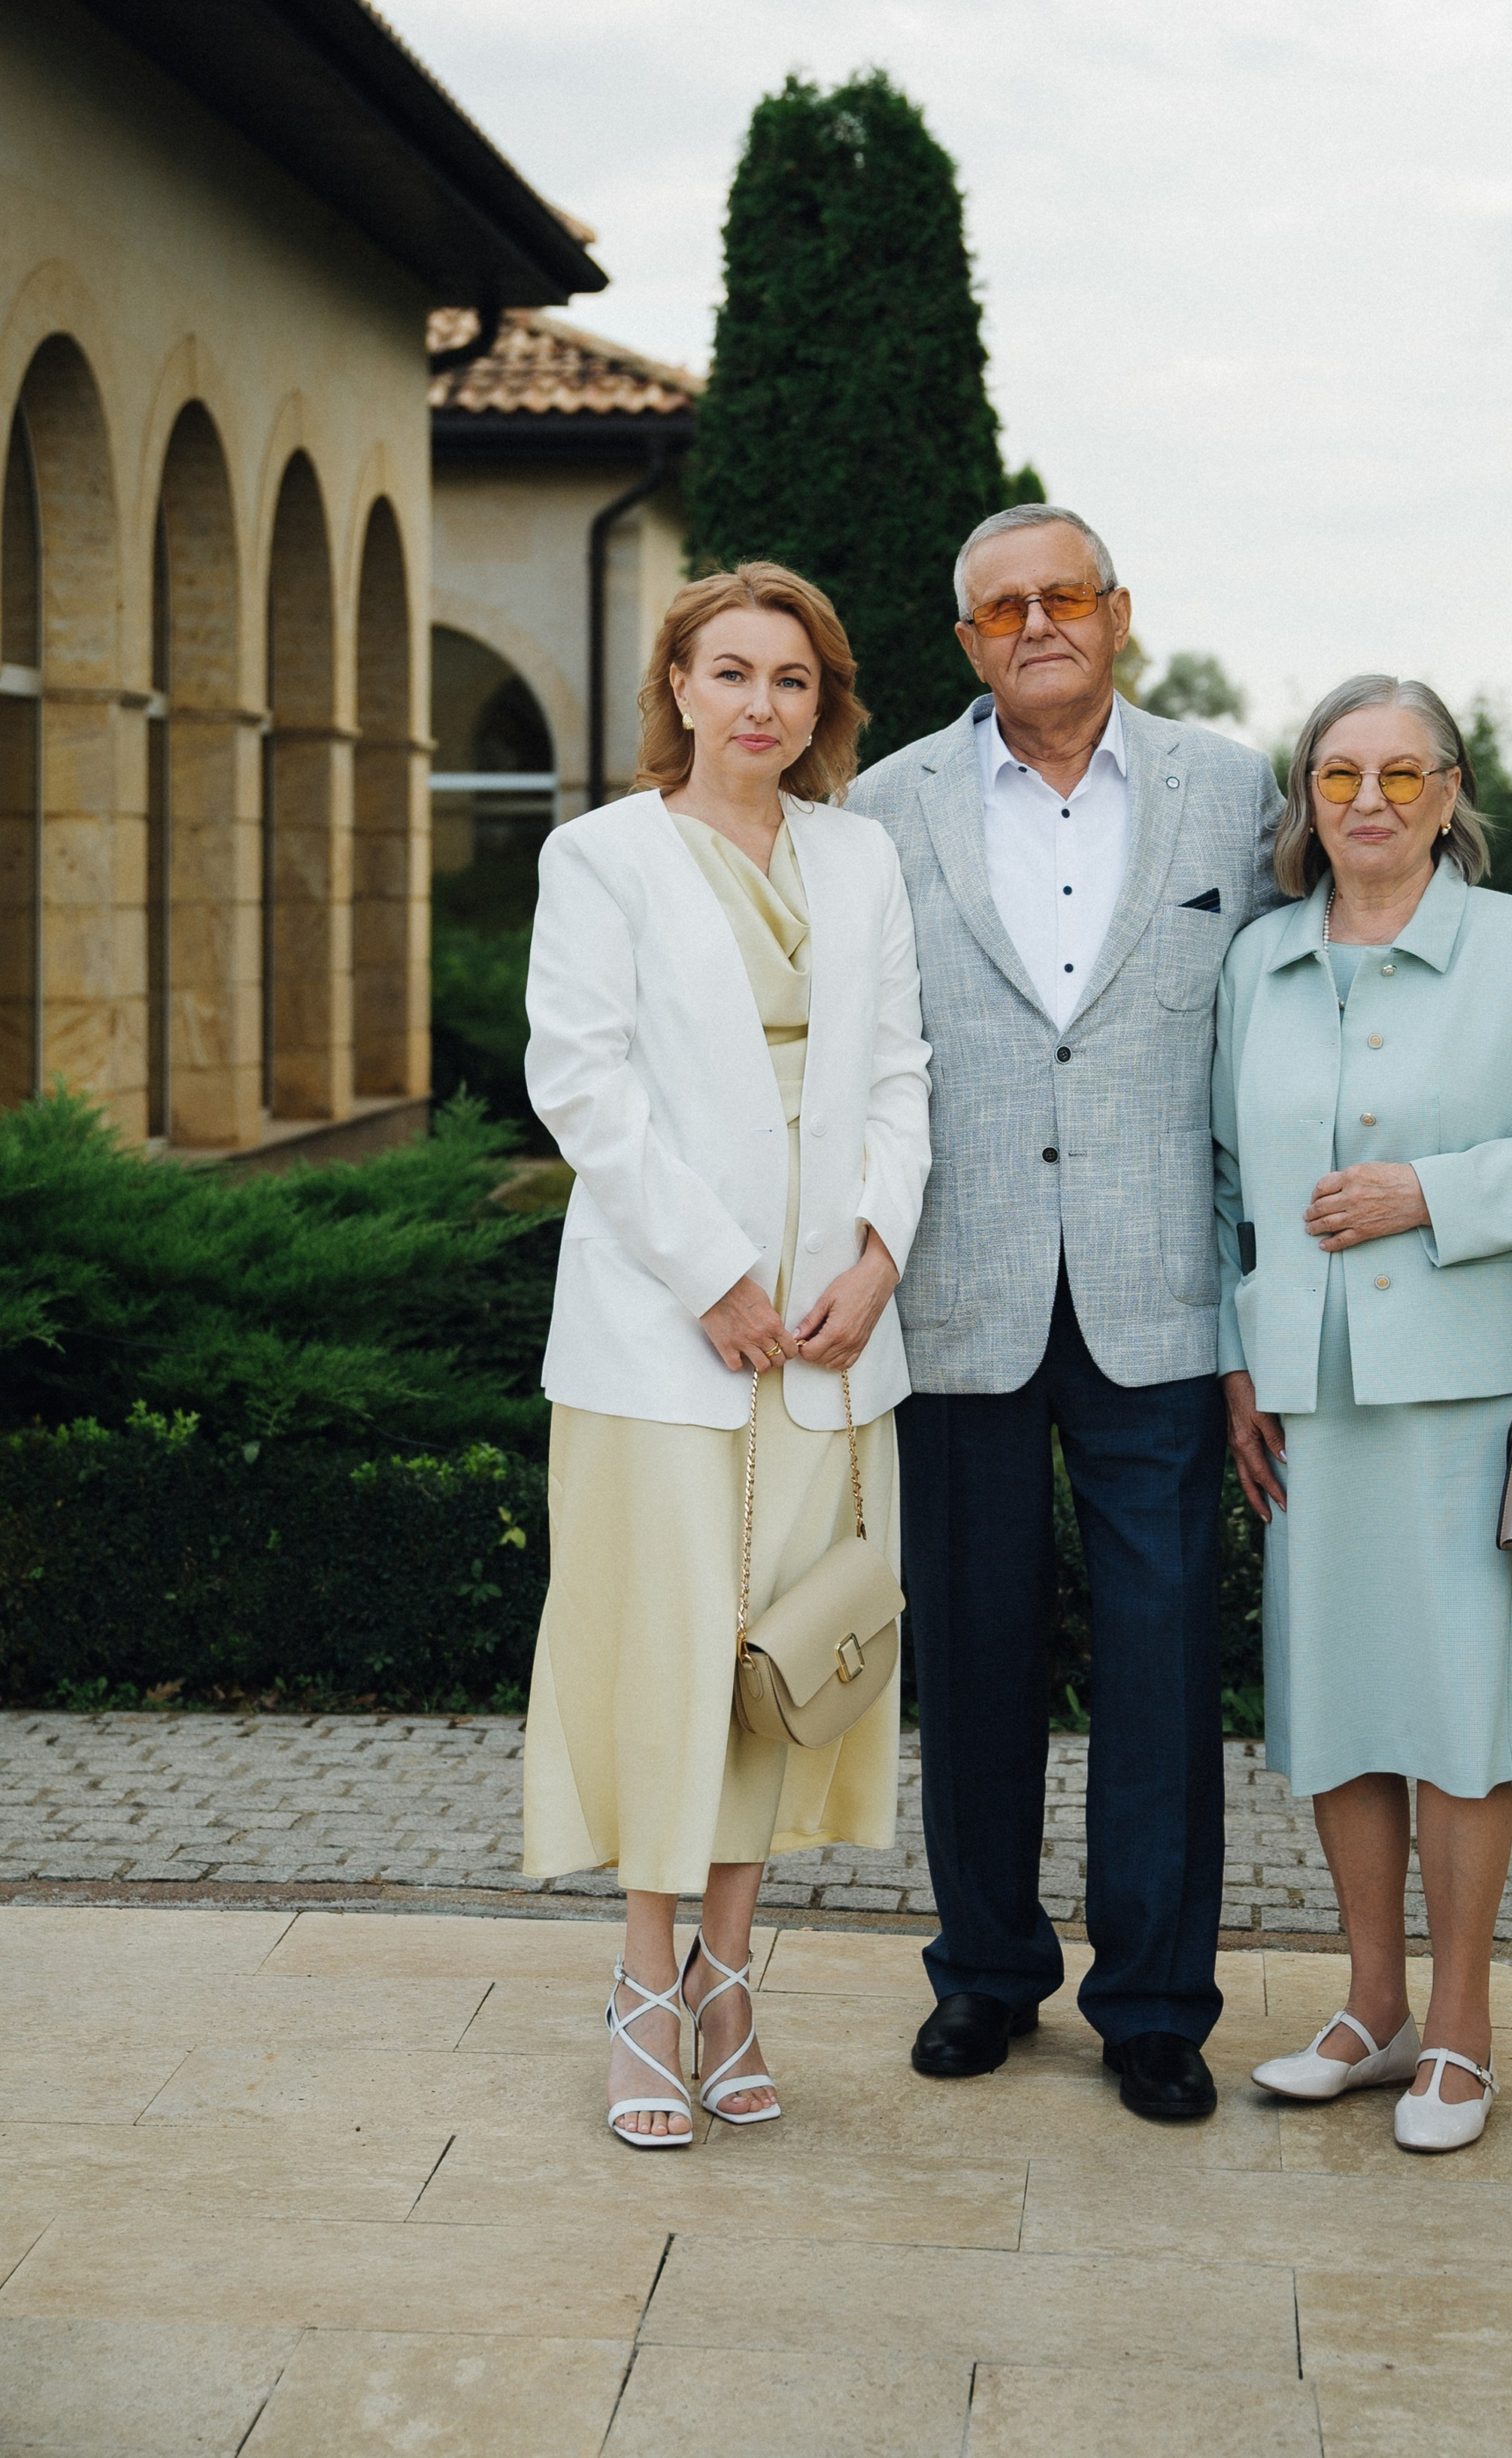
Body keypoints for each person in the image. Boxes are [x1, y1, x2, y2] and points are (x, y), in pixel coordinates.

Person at [851, 503, 1282, 2124]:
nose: (1036, 623)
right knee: (971, 1653)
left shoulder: (1231, 790)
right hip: (955, 1288)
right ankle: (982, 1968)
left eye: (1063, 595)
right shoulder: (883, 805)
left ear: (1117, 612)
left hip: (1158, 1297)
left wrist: (1259, 1311)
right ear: (967, 641)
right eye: (1001, 607)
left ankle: (1155, 2004)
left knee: (1163, 1663)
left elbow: (1267, 1050)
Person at [521, 564, 930, 2147]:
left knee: (784, 1662)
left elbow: (899, 1073)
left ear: (824, 706)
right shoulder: (601, 856)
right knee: (670, 1652)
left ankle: (730, 1976)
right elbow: (584, 1084)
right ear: (678, 689)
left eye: (794, 679)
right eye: (734, 672)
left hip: (831, 1337)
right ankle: (643, 1982)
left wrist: (876, 1257)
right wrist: (713, 1277)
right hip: (662, 1333)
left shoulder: (861, 856)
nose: (763, 704)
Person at [1214, 674, 1512, 2153]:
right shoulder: (1258, 961)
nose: (1370, 800)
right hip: (1308, 1399)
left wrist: (1428, 1193)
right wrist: (1239, 1362)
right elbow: (1225, 1181)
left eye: (1403, 772)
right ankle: (1371, 2007)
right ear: (1306, 796)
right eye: (1339, 773)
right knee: (1336, 1707)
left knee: (1460, 1715)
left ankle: (1459, 2029)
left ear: (1451, 792)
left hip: (1467, 1393)